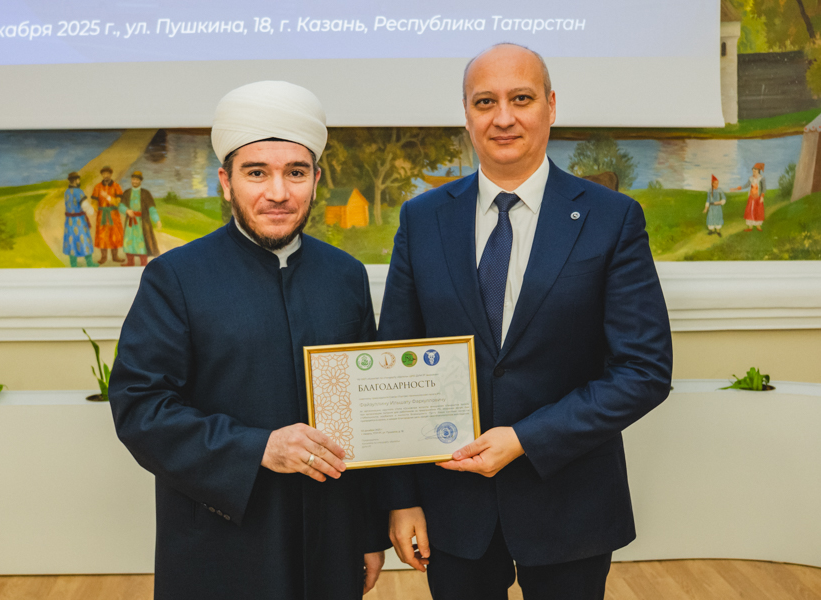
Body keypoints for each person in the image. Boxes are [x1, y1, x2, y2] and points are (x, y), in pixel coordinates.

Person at [378, 44, 673, 600]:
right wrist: (401, 499)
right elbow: (395, 363)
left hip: (571, 503)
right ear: (466, 114)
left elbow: (644, 371)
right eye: (485, 102)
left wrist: (525, 439)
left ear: (551, 106)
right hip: (453, 508)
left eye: (521, 98)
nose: (503, 117)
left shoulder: (612, 219)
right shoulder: (422, 219)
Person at [108, 81, 387, 600]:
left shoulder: (345, 276)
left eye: (295, 172)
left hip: (330, 537)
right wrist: (260, 447)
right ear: (226, 181)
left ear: (316, 180)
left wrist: (369, 534)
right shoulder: (175, 278)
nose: (278, 193)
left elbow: (363, 414)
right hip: (221, 540)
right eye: (257, 172)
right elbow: (141, 409)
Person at [120, 171, 161, 266]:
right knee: (128, 242)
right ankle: (130, 262)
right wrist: (127, 210)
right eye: (133, 179)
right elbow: (121, 206)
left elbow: (152, 209)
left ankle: (143, 263)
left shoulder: (145, 193)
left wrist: (157, 220)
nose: (134, 181)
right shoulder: (127, 193)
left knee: (142, 243)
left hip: (141, 223)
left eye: (137, 179)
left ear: (140, 181)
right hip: (130, 223)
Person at [91, 166, 124, 263]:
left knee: (115, 235)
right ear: (102, 175)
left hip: (113, 215)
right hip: (102, 215)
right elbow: (94, 202)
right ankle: (103, 257)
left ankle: (115, 256)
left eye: (107, 173)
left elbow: (118, 202)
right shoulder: (97, 187)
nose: (106, 175)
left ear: (110, 174)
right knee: (102, 236)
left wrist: (108, 197)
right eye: (104, 173)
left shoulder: (116, 186)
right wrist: (94, 209)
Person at [62, 172, 96, 267]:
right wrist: (92, 211)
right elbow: (85, 206)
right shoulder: (79, 191)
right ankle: (89, 263)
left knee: (71, 241)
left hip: (69, 221)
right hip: (79, 221)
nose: (79, 181)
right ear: (76, 180)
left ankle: (73, 265)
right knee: (85, 240)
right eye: (78, 180)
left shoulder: (66, 192)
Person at [731, 163, 765, 232]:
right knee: (750, 210)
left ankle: (758, 226)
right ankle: (750, 227)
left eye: (755, 171)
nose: (754, 172)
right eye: (753, 171)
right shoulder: (751, 178)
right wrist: (738, 188)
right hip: (751, 197)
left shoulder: (761, 178)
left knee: (758, 211)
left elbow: (763, 188)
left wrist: (762, 196)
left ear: (758, 171)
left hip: (758, 197)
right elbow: (746, 185)